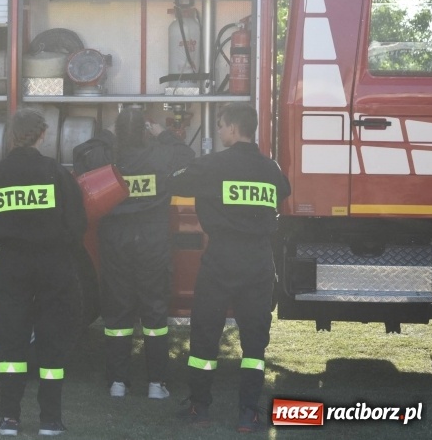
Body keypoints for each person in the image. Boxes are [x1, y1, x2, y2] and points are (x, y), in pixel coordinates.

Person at [170, 103, 290, 433]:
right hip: (258, 261)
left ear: (234, 129)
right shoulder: (272, 170)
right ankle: (248, 413)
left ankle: (200, 408)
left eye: (221, 126)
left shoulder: (211, 166)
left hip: (221, 259)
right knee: (254, 343)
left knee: (205, 334)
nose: (219, 132)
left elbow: (176, 183)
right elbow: (285, 191)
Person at [0, 108, 87, 437]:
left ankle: (9, 417)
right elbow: (78, 225)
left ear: (12, 136)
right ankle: (51, 420)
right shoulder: (56, 172)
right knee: (52, 343)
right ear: (42, 136)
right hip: (54, 266)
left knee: (11, 343)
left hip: (13, 266)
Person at [73, 107, 194, 400]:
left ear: (118, 131)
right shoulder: (161, 156)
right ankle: (156, 384)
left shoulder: (107, 159)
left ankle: (118, 382)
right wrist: (161, 133)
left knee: (117, 313)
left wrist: (107, 134)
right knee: (155, 312)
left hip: (116, 243)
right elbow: (187, 156)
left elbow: (80, 154)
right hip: (152, 244)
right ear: (144, 130)